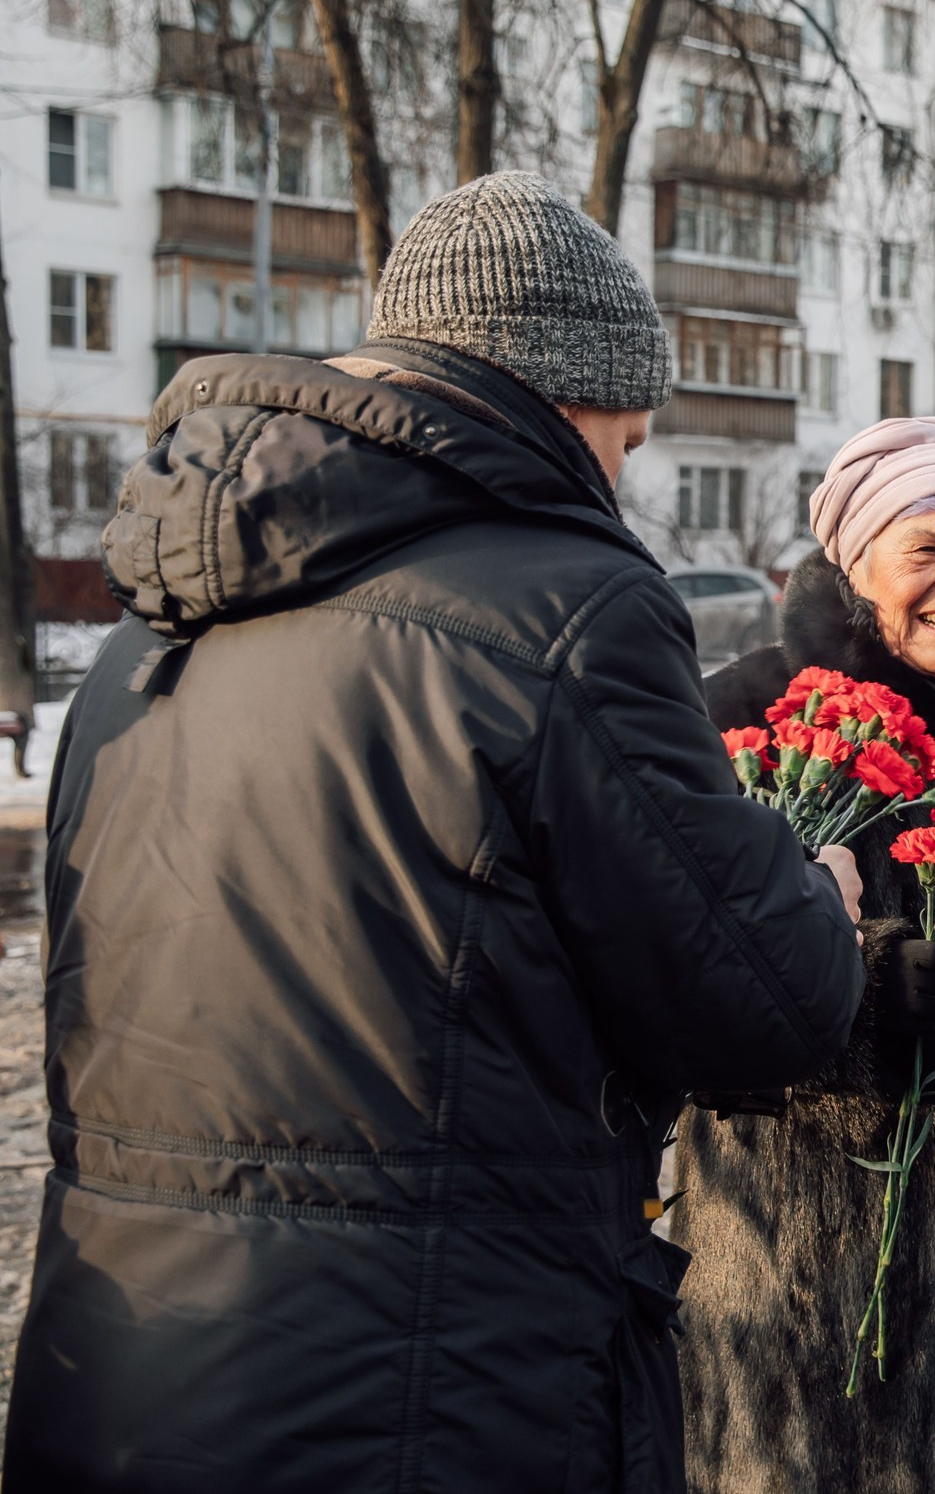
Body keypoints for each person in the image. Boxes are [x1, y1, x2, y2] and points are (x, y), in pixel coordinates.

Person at [2, 171, 867, 1494]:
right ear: (569, 390)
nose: (623, 481)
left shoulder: (146, 629)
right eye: (629, 445)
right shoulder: (569, 611)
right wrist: (817, 888)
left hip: (133, 1364)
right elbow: (761, 1000)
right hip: (430, 1380)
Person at [671, 416, 935, 1493]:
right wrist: (848, 987)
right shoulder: (752, 716)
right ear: (855, 563)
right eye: (928, 550)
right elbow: (680, 994)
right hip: (795, 1278)